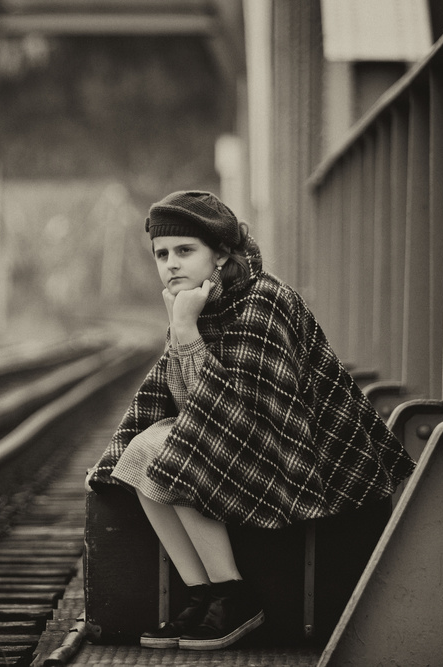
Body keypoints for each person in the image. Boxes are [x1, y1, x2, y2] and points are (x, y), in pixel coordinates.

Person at [85, 190, 415, 651]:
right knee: (141, 450)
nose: (171, 264)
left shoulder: (264, 301)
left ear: (220, 255)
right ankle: (203, 593)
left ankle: (234, 594)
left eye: (185, 250)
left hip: (302, 453)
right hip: (244, 435)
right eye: (162, 254)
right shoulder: (199, 303)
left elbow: (231, 417)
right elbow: (187, 401)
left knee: (173, 451)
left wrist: (184, 331)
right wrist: (182, 328)